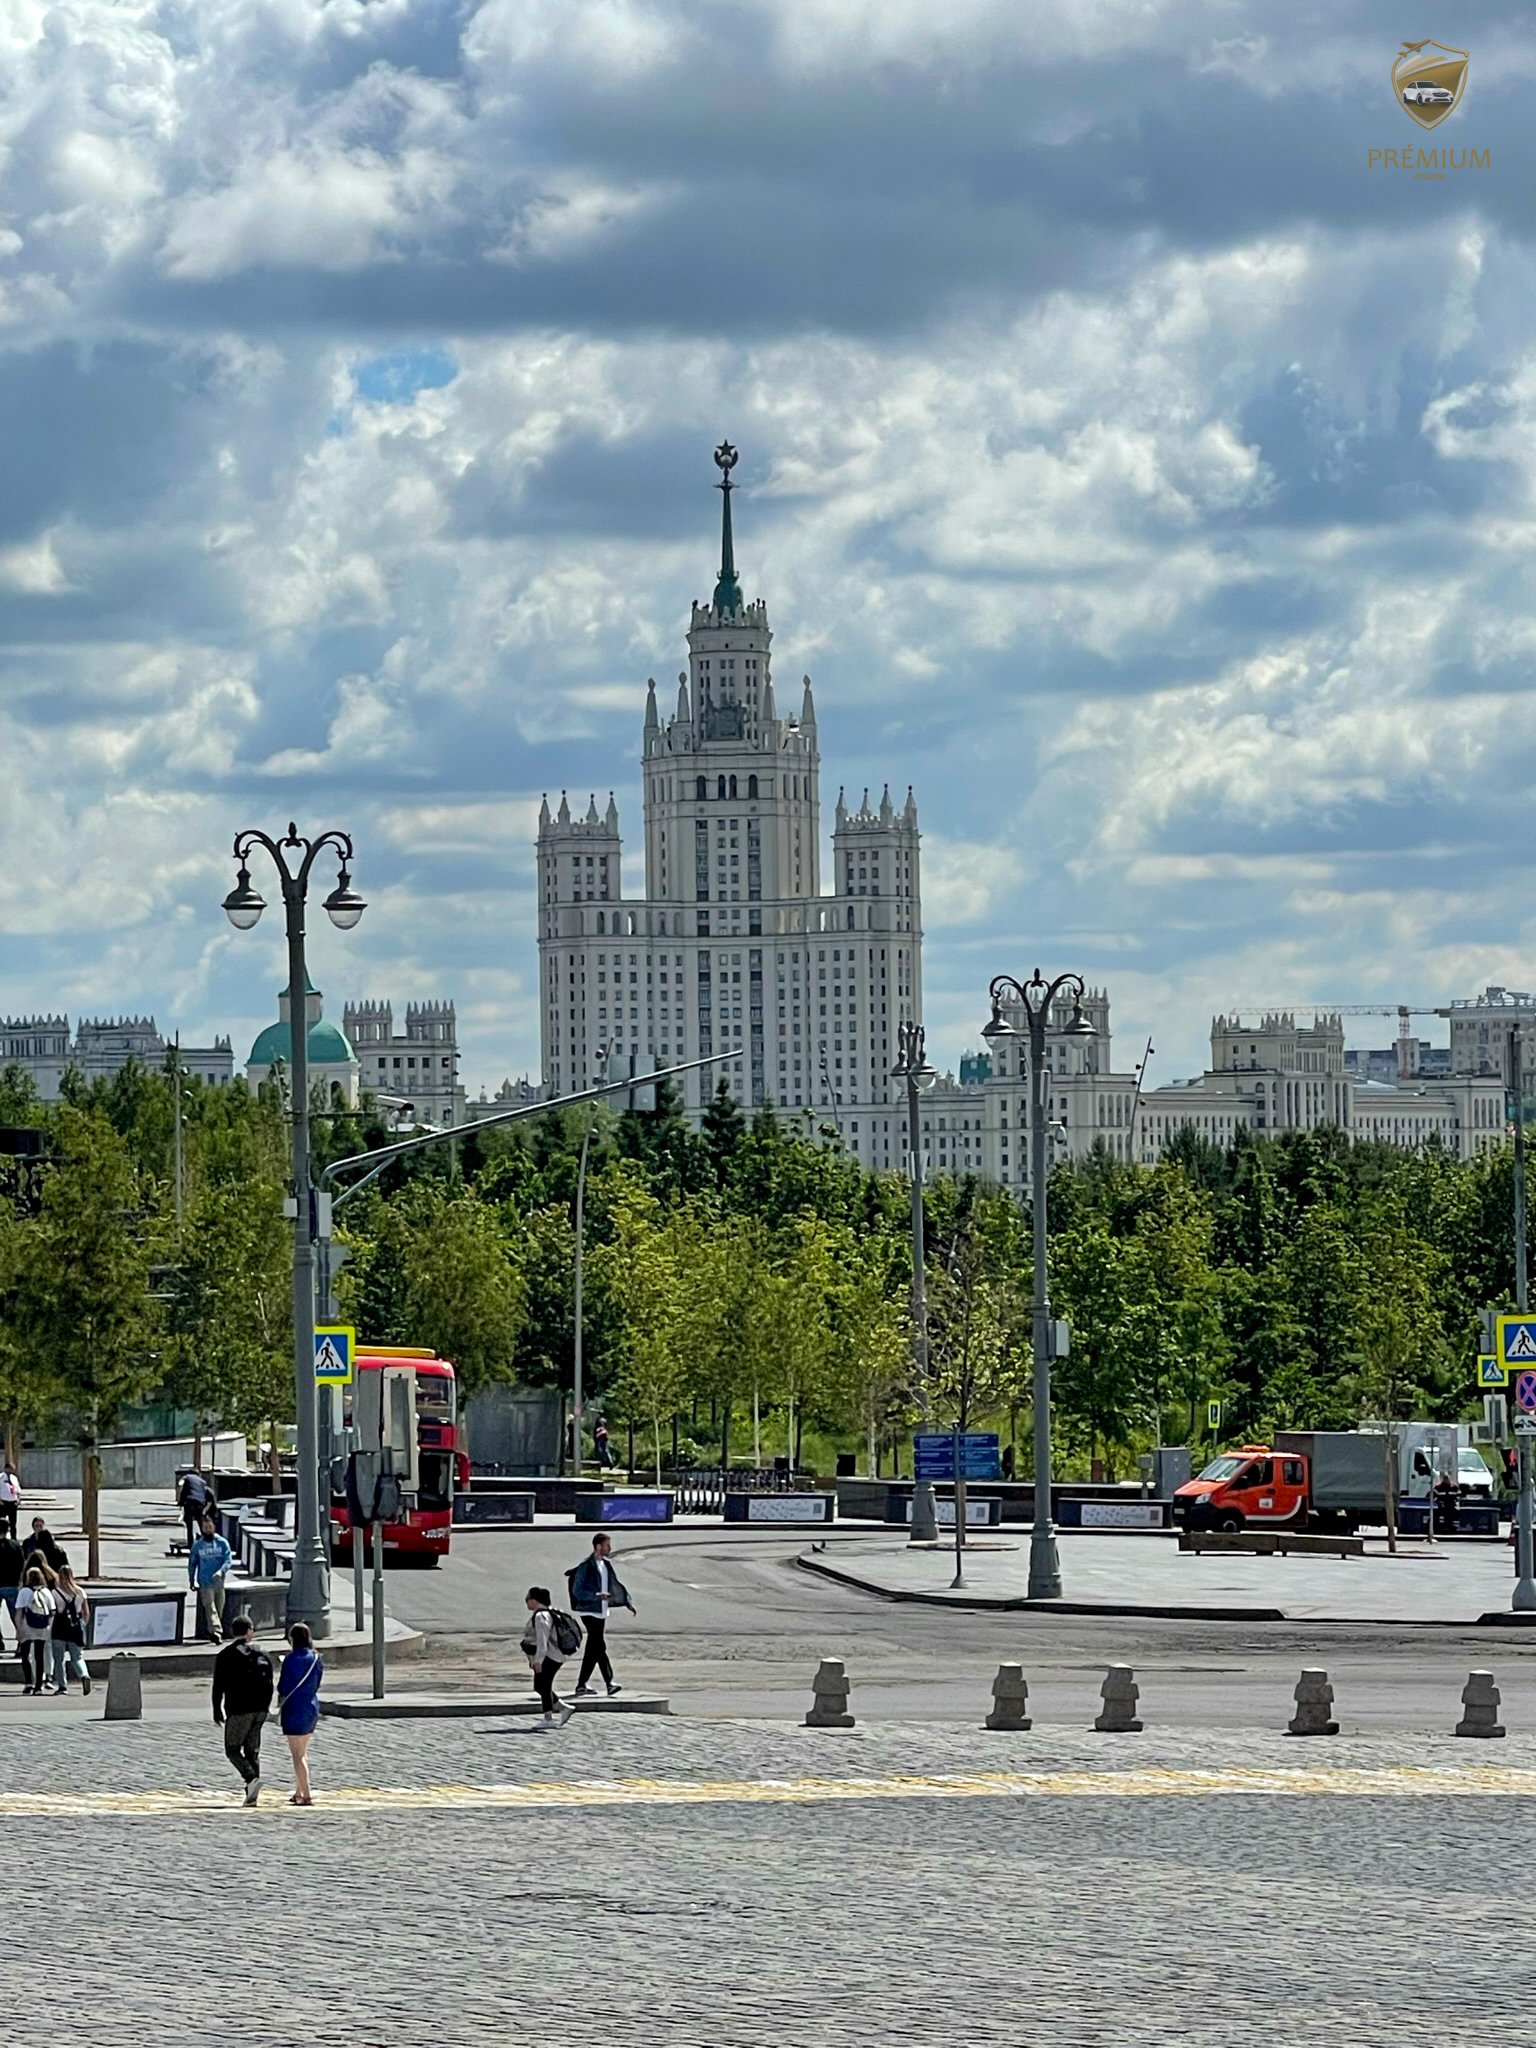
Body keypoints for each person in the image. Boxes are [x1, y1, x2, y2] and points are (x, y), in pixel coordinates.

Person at [212, 1615, 275, 1807]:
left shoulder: (225, 1655)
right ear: (249, 1631)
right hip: (260, 1710)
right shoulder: (262, 1653)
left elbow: (218, 1686)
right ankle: (252, 1794)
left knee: (232, 1749)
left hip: (239, 1709)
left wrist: (217, 1709)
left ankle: (250, 1778)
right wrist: (266, 1707)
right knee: (252, 1751)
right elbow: (270, 1683)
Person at [566, 1532, 635, 1699]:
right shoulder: (586, 1566)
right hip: (589, 1611)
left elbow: (614, 1585)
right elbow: (577, 1590)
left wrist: (627, 1602)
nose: (610, 1548)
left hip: (601, 1611)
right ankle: (609, 1683)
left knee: (593, 1649)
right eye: (607, 1545)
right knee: (599, 1646)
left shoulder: (605, 1564)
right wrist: (596, 1596)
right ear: (598, 1546)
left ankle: (581, 1685)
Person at [277, 1623, 323, 1805]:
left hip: (293, 1708)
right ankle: (298, 1791)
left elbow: (283, 1686)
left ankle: (306, 1794)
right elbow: (317, 1682)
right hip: (311, 1707)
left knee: (297, 1755)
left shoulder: (289, 1660)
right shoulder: (316, 1658)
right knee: (303, 1751)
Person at [521, 1587, 573, 1728]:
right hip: (552, 1655)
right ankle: (563, 1708)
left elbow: (542, 1640)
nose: (526, 1602)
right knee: (540, 1685)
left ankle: (548, 1718)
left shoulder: (541, 1616)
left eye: (528, 1599)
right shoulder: (546, 1614)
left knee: (543, 1685)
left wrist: (538, 1660)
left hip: (550, 1656)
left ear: (534, 1600)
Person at [187, 1514, 234, 1644]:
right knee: (210, 1607)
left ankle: (212, 1631)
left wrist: (221, 1571)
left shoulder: (222, 1543)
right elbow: (192, 1564)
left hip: (219, 1581)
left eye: (210, 1527)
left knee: (219, 1608)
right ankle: (216, 1632)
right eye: (205, 1527)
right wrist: (192, 1580)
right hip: (205, 1581)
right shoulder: (198, 1545)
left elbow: (228, 1560)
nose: (208, 1530)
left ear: (214, 1527)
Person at [49, 1562, 91, 1696]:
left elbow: (52, 1611)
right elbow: (86, 1612)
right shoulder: (80, 1591)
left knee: (59, 1659)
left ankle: (62, 1686)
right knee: (77, 1657)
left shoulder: (55, 1592)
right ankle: (84, 1675)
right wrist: (82, 1624)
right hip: (75, 1626)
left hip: (59, 1627)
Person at [16, 1566, 58, 1694]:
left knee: (25, 1655)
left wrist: (18, 1629)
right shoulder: (46, 1592)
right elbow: (52, 1611)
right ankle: (38, 1686)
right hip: (42, 1627)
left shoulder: (24, 1592)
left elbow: (19, 1612)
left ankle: (29, 1683)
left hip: (27, 1626)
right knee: (39, 1656)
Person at [0, 1522, 22, 1646]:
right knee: (16, 1615)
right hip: (12, 1584)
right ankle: (21, 1640)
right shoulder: (15, 1545)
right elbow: (21, 1564)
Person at [176, 1468, 211, 1548]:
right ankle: (206, 1542)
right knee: (200, 1523)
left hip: (189, 1502)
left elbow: (180, 1485)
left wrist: (180, 1501)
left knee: (189, 1525)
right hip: (200, 1503)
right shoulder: (202, 1481)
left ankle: (191, 1544)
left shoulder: (187, 1477)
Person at [0, 1459, 20, 1539]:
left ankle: (13, 1538)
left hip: (13, 1502)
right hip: (3, 1502)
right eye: (11, 1468)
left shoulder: (14, 1478)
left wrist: (18, 1499)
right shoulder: (1, 1477)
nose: (12, 1470)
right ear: (6, 1468)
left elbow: (17, 1489)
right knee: (2, 1522)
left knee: (13, 1523)